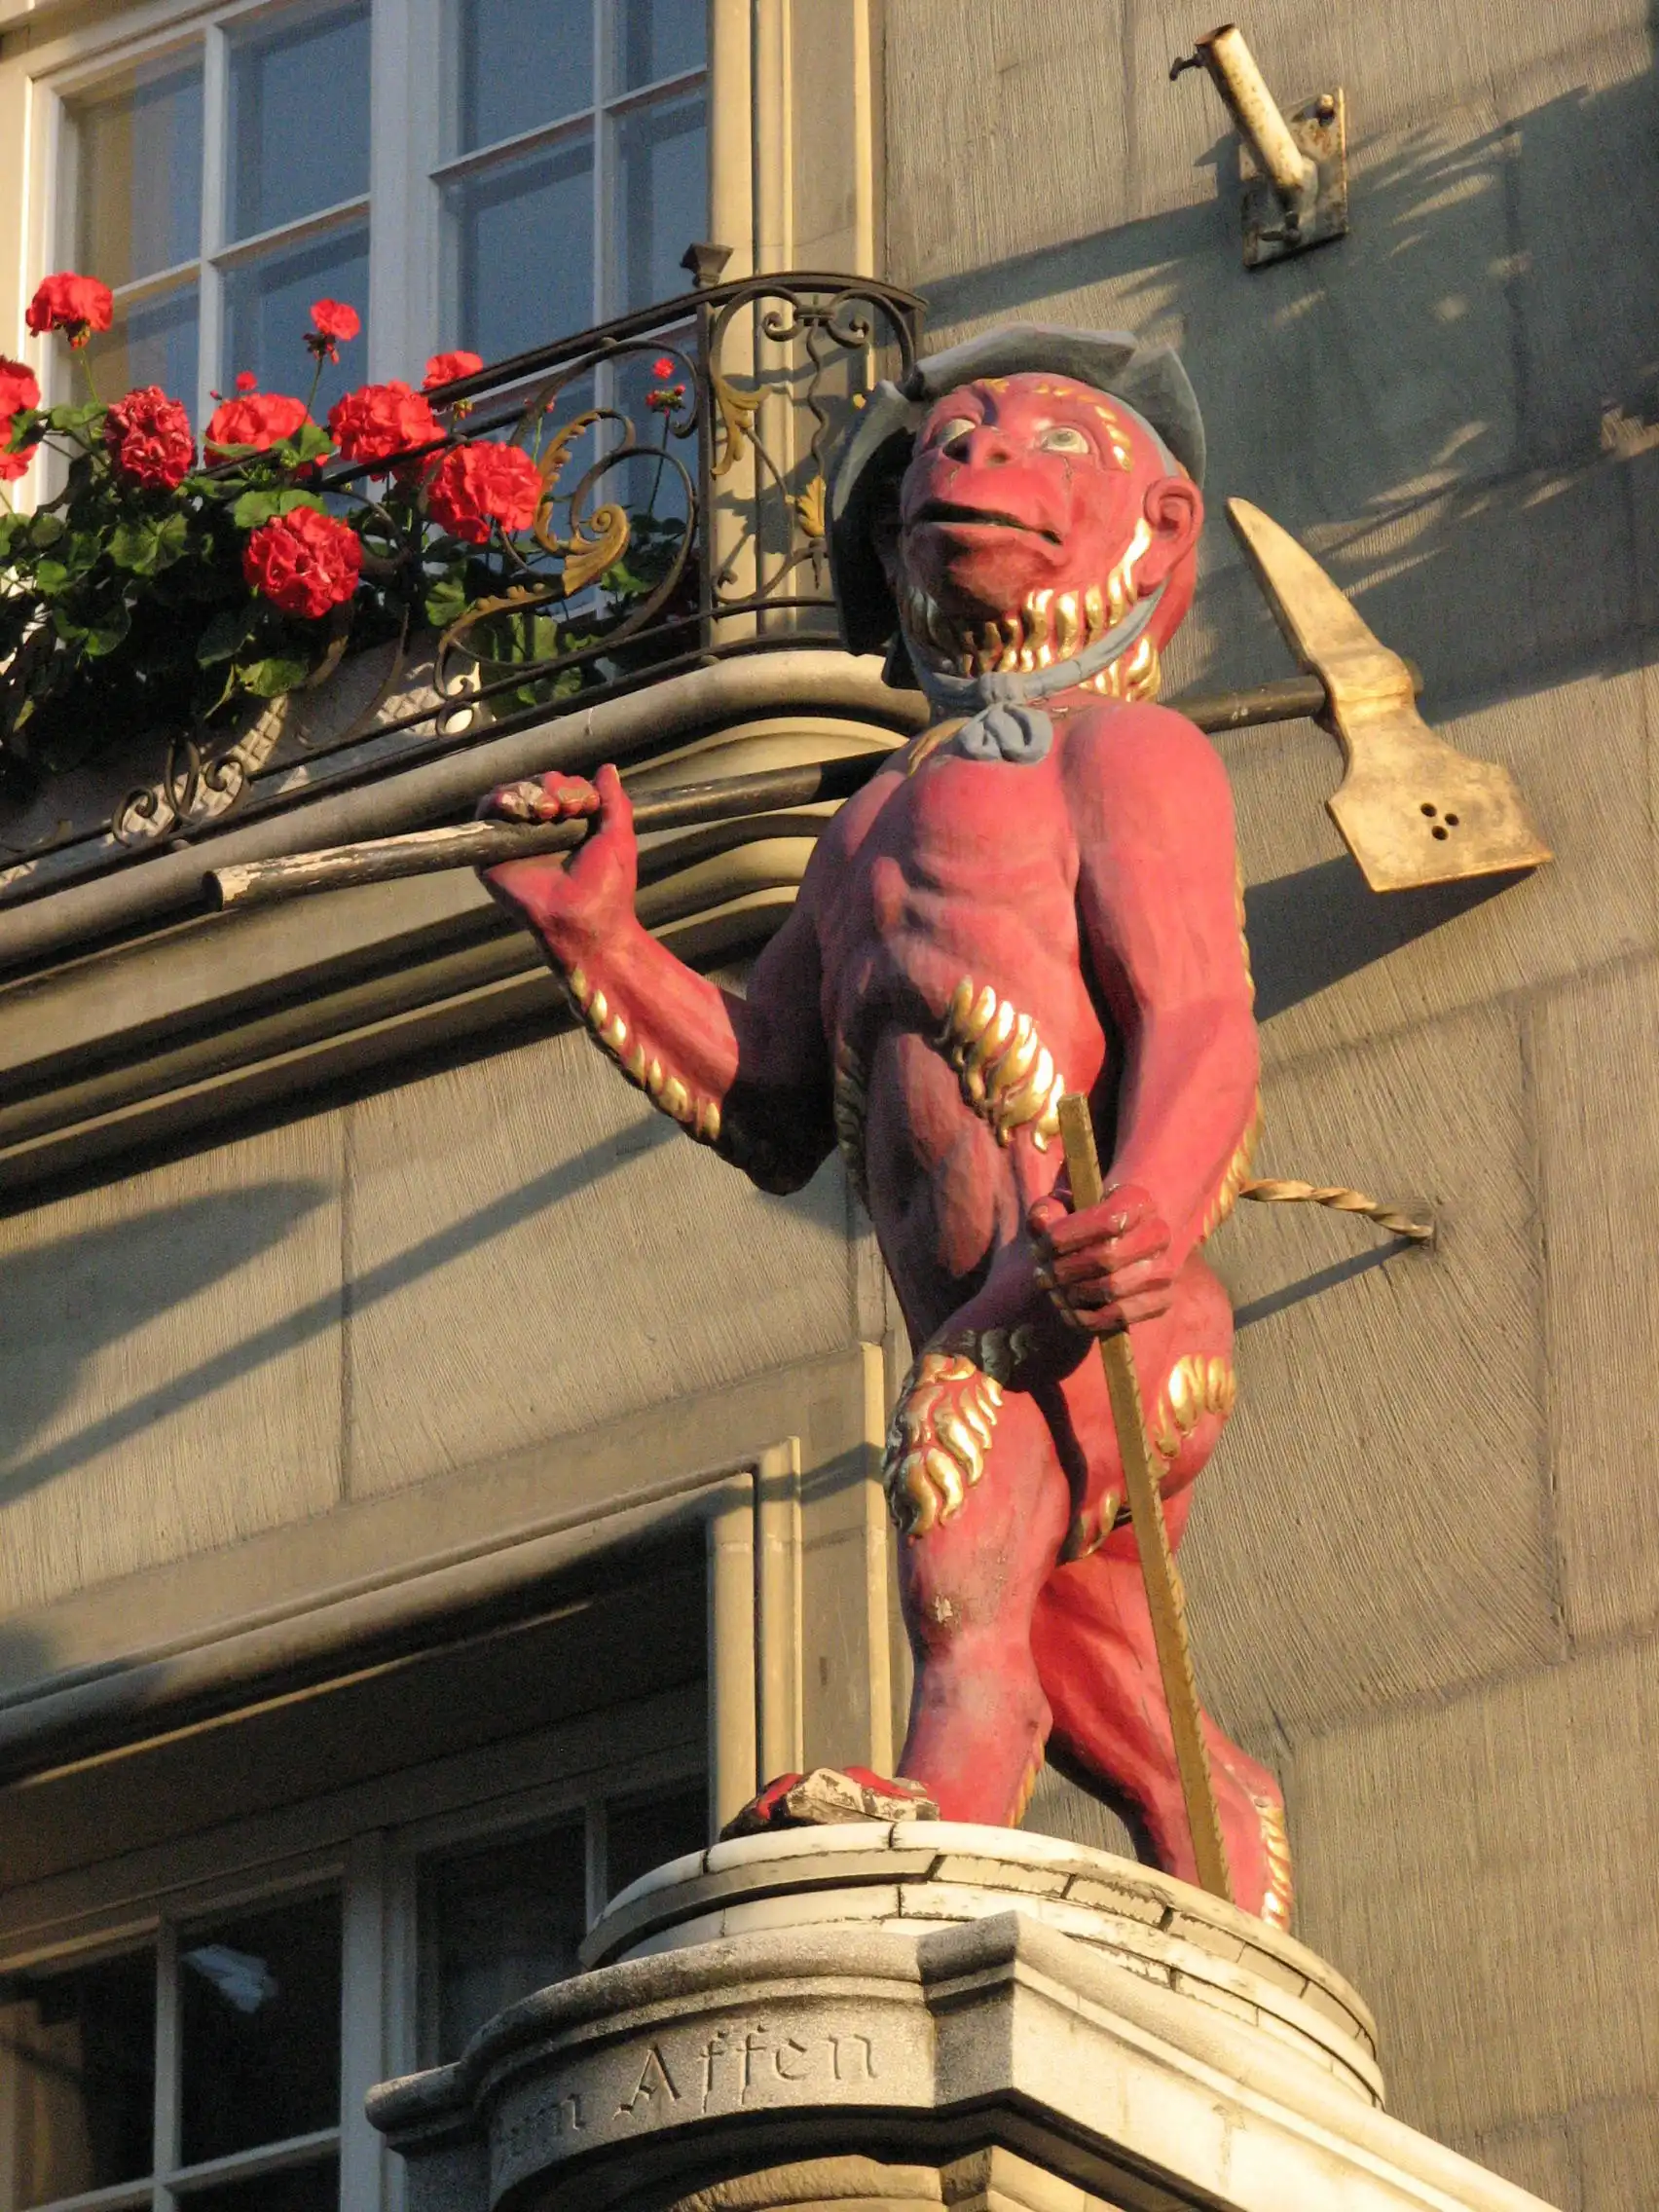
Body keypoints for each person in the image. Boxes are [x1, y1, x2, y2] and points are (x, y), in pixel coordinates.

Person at [476, 327, 1289, 1926]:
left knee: (960, 1511)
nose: (978, 456)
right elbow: (771, 1097)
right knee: (1106, 1676)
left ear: (1159, 526)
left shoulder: (1129, 753)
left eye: (1052, 440)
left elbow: (1200, 1015)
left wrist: (1146, 1209)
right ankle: (1230, 1861)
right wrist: (601, 941)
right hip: (1014, 1306)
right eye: (953, 438)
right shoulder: (864, 828)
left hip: (1099, 1295)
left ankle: (930, 1823)